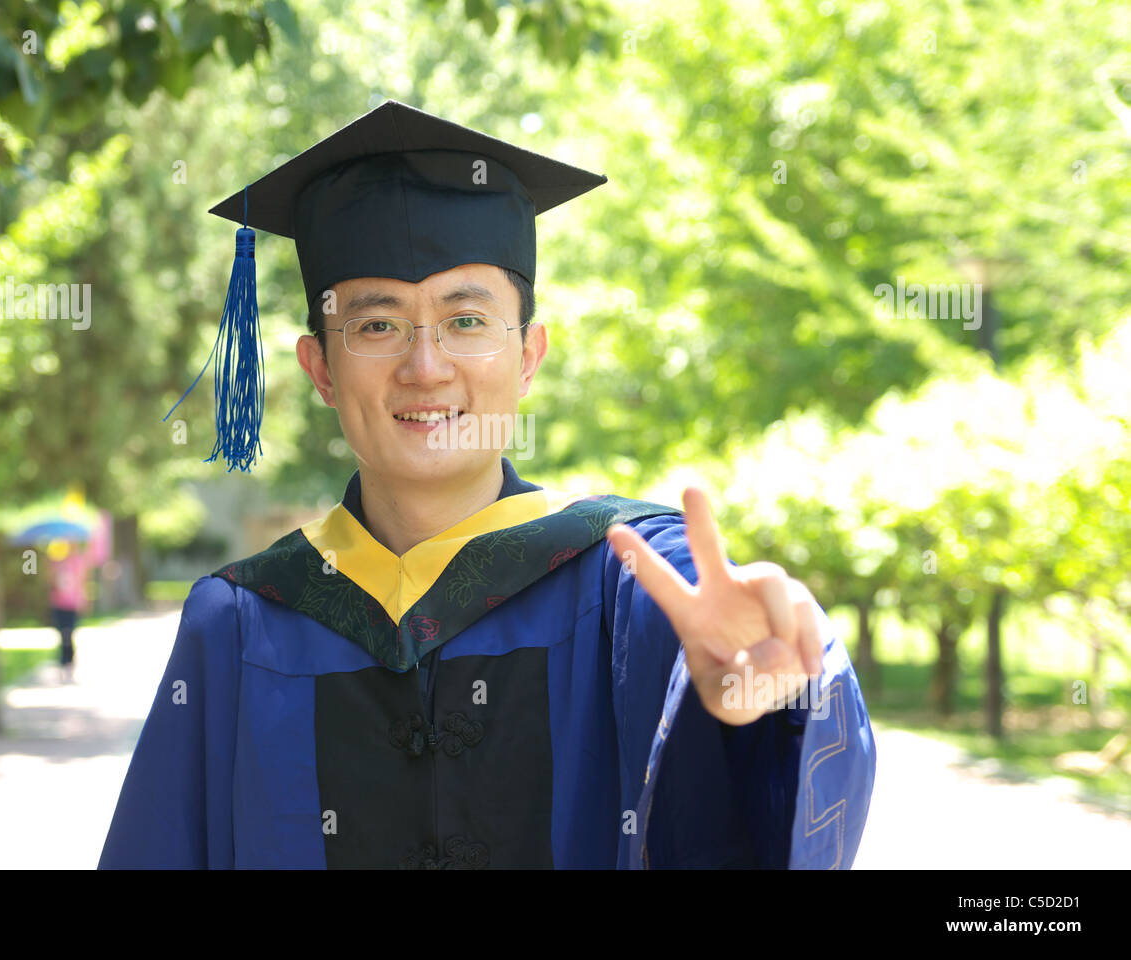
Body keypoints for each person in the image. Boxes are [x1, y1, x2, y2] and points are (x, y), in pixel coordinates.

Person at [99, 100, 877, 869]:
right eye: (377, 325)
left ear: (530, 355)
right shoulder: (238, 626)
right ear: (320, 370)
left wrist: (764, 711)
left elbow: (756, 785)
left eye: (467, 321)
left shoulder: (630, 581)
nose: (425, 367)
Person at [48, 541, 89, 684]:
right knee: (62, 635)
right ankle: (62, 663)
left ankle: (69, 663)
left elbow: (82, 582)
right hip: (59, 603)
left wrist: (83, 600)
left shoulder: (78, 562)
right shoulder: (56, 562)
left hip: (72, 604)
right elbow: (51, 581)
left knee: (69, 633)